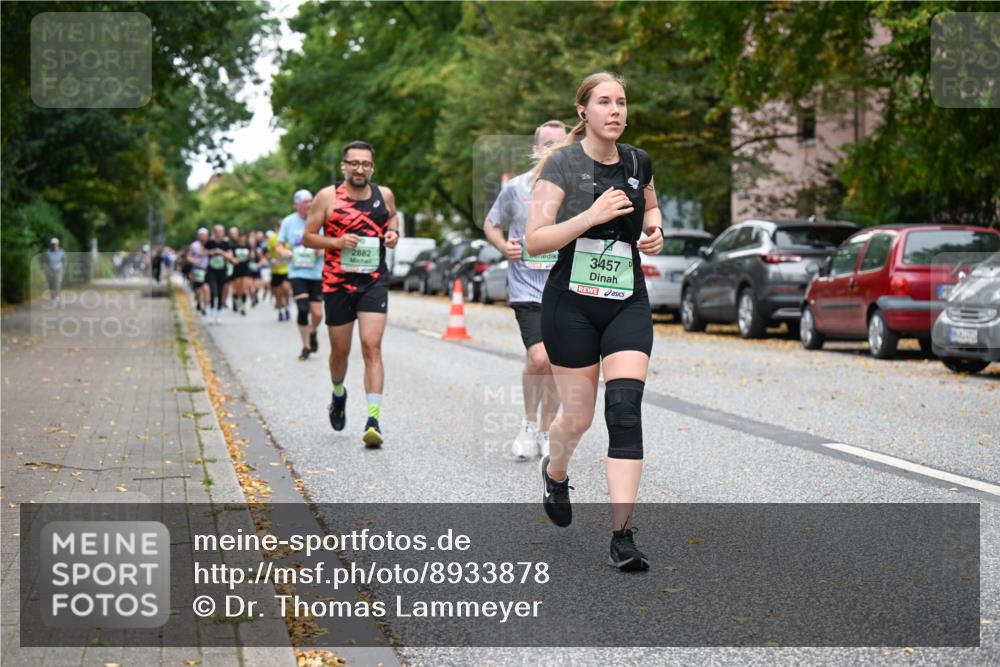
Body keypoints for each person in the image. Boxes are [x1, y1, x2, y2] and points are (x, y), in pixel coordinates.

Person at [525, 72, 663, 572]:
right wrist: (591, 215)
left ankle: (622, 535)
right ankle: (556, 472)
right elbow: (534, 240)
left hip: (627, 298)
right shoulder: (560, 164)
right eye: (604, 102)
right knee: (579, 417)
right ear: (583, 111)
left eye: (622, 102)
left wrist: (655, 232)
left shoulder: (637, 161)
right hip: (571, 304)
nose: (616, 111)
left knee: (624, 411)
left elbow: (650, 206)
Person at [303, 141, 399, 447]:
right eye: (354, 163)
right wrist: (336, 243)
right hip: (337, 284)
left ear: (372, 167)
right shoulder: (328, 196)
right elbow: (307, 237)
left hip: (373, 282)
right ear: (344, 166)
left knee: (372, 346)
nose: (360, 169)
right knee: (340, 352)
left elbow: (392, 217)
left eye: (365, 164)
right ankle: (339, 392)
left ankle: (373, 420)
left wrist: (393, 233)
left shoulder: (384, 195)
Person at [483, 120, 568, 460]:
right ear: (535, 150)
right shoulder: (516, 188)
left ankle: (547, 430)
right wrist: (504, 247)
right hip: (527, 289)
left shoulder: (578, 190)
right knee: (539, 357)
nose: (553, 151)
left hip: (565, 290)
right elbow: (491, 222)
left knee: (558, 364)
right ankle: (529, 424)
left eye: (560, 145)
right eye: (547, 144)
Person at [278, 190, 325, 360]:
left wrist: (322, 248)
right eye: (305, 202)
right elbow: (280, 244)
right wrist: (284, 252)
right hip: (297, 272)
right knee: (303, 308)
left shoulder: (320, 219)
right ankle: (305, 346)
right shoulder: (289, 222)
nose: (309, 204)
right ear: (297, 205)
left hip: (317, 272)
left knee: (318, 314)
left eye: (311, 201)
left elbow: (330, 240)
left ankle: (313, 332)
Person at [205, 225, 235, 325]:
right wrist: (211, 252)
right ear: (214, 232)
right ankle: (211, 313)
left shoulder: (226, 243)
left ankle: (219, 314)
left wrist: (221, 252)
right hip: (211, 270)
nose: (219, 233)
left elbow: (230, 256)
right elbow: (202, 253)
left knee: (221, 291)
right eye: (217, 231)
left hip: (222, 270)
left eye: (221, 231)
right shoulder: (209, 243)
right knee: (213, 292)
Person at [264, 228, 290, 318]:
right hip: (275, 270)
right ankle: (281, 311)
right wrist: (272, 260)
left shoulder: (289, 236)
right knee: (278, 292)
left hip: (287, 268)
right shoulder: (272, 238)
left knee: (286, 288)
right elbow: (266, 252)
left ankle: (287, 305)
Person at [229, 226, 251, 316]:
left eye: (243, 236)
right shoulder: (233, 246)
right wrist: (232, 259)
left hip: (245, 269)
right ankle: (235, 301)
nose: (242, 238)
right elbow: (230, 255)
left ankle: (243, 306)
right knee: (237, 289)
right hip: (236, 269)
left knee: (244, 288)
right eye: (240, 236)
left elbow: (251, 256)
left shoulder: (248, 246)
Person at [188, 228, 211, 315]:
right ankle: (199, 302)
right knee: (199, 290)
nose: (203, 237)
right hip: (197, 270)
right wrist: (193, 260)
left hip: (207, 269)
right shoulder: (194, 245)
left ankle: (204, 307)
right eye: (201, 235)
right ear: (198, 236)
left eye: (204, 235)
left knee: (206, 289)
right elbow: (188, 257)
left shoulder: (209, 244)